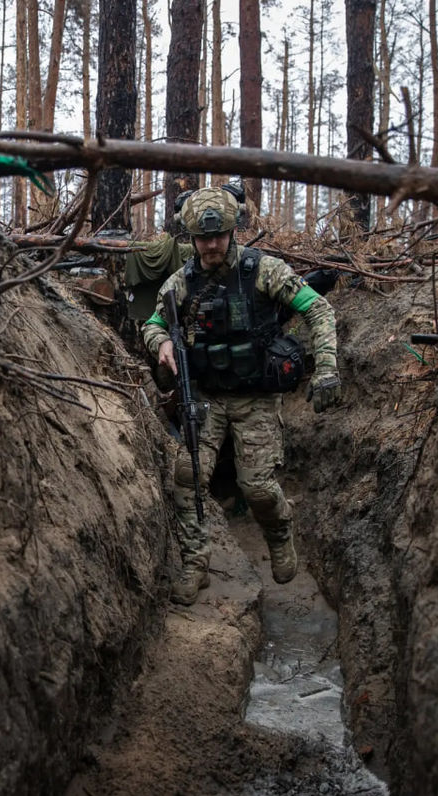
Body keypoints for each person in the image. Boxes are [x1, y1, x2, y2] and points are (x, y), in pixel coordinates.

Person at [142, 186, 342, 605]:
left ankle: (279, 534)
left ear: (233, 231)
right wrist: (160, 340)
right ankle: (195, 563)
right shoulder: (182, 283)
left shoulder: (263, 271)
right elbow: (153, 323)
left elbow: (318, 309)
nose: (211, 245)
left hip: (256, 397)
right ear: (191, 238)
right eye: (202, 237)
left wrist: (326, 368)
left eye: (218, 236)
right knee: (187, 476)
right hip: (207, 397)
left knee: (258, 488)